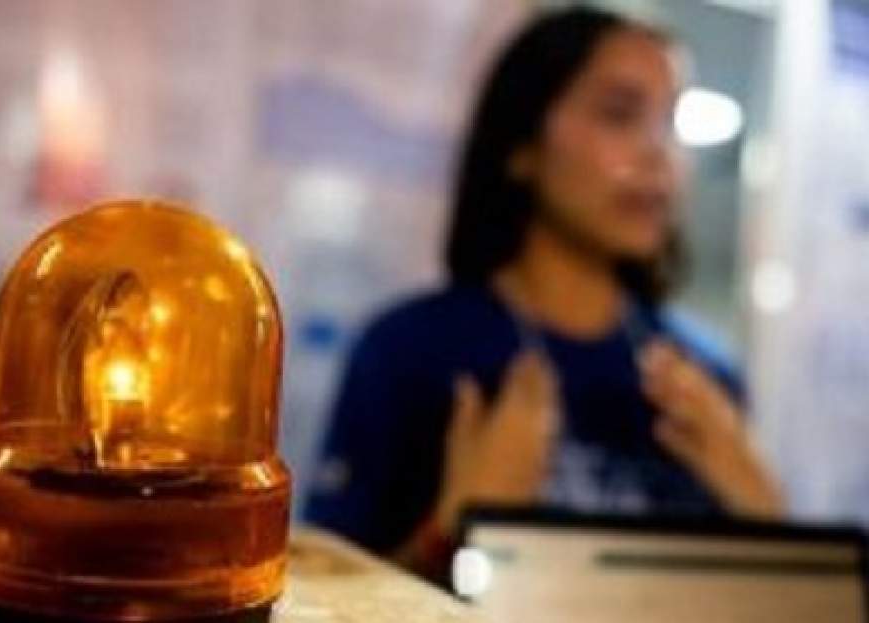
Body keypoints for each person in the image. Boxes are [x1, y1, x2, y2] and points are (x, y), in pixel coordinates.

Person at [305, 5, 782, 580]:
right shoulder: (410, 351)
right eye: (620, 114)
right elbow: (324, 597)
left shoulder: (706, 378)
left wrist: (764, 511)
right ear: (523, 145)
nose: (658, 154)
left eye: (672, 122)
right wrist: (451, 529)